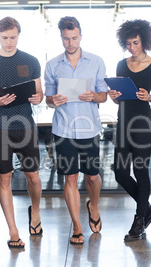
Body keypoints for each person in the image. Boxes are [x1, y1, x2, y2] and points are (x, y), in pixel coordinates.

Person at [0, 16, 44, 249]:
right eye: (4, 38)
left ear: (18, 35)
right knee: (3, 178)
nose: (9, 42)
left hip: (25, 126)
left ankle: (35, 212)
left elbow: (39, 94)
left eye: (13, 37)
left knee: (33, 177)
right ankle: (13, 231)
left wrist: (38, 98)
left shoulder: (31, 60)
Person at [44, 16, 107, 245]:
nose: (70, 43)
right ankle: (78, 227)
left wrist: (94, 96)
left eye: (74, 38)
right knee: (70, 177)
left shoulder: (96, 61)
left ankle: (94, 205)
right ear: (61, 37)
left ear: (80, 35)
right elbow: (48, 100)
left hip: (89, 128)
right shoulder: (52, 65)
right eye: (66, 39)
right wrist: (55, 100)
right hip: (64, 129)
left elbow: (103, 95)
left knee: (93, 176)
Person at [108, 19, 151, 242]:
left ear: (145, 41)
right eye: (128, 43)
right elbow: (119, 98)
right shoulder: (121, 65)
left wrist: (149, 96)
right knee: (120, 172)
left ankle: (140, 219)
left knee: (141, 172)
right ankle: (148, 209)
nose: (132, 47)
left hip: (143, 124)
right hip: (123, 122)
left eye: (136, 43)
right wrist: (114, 96)